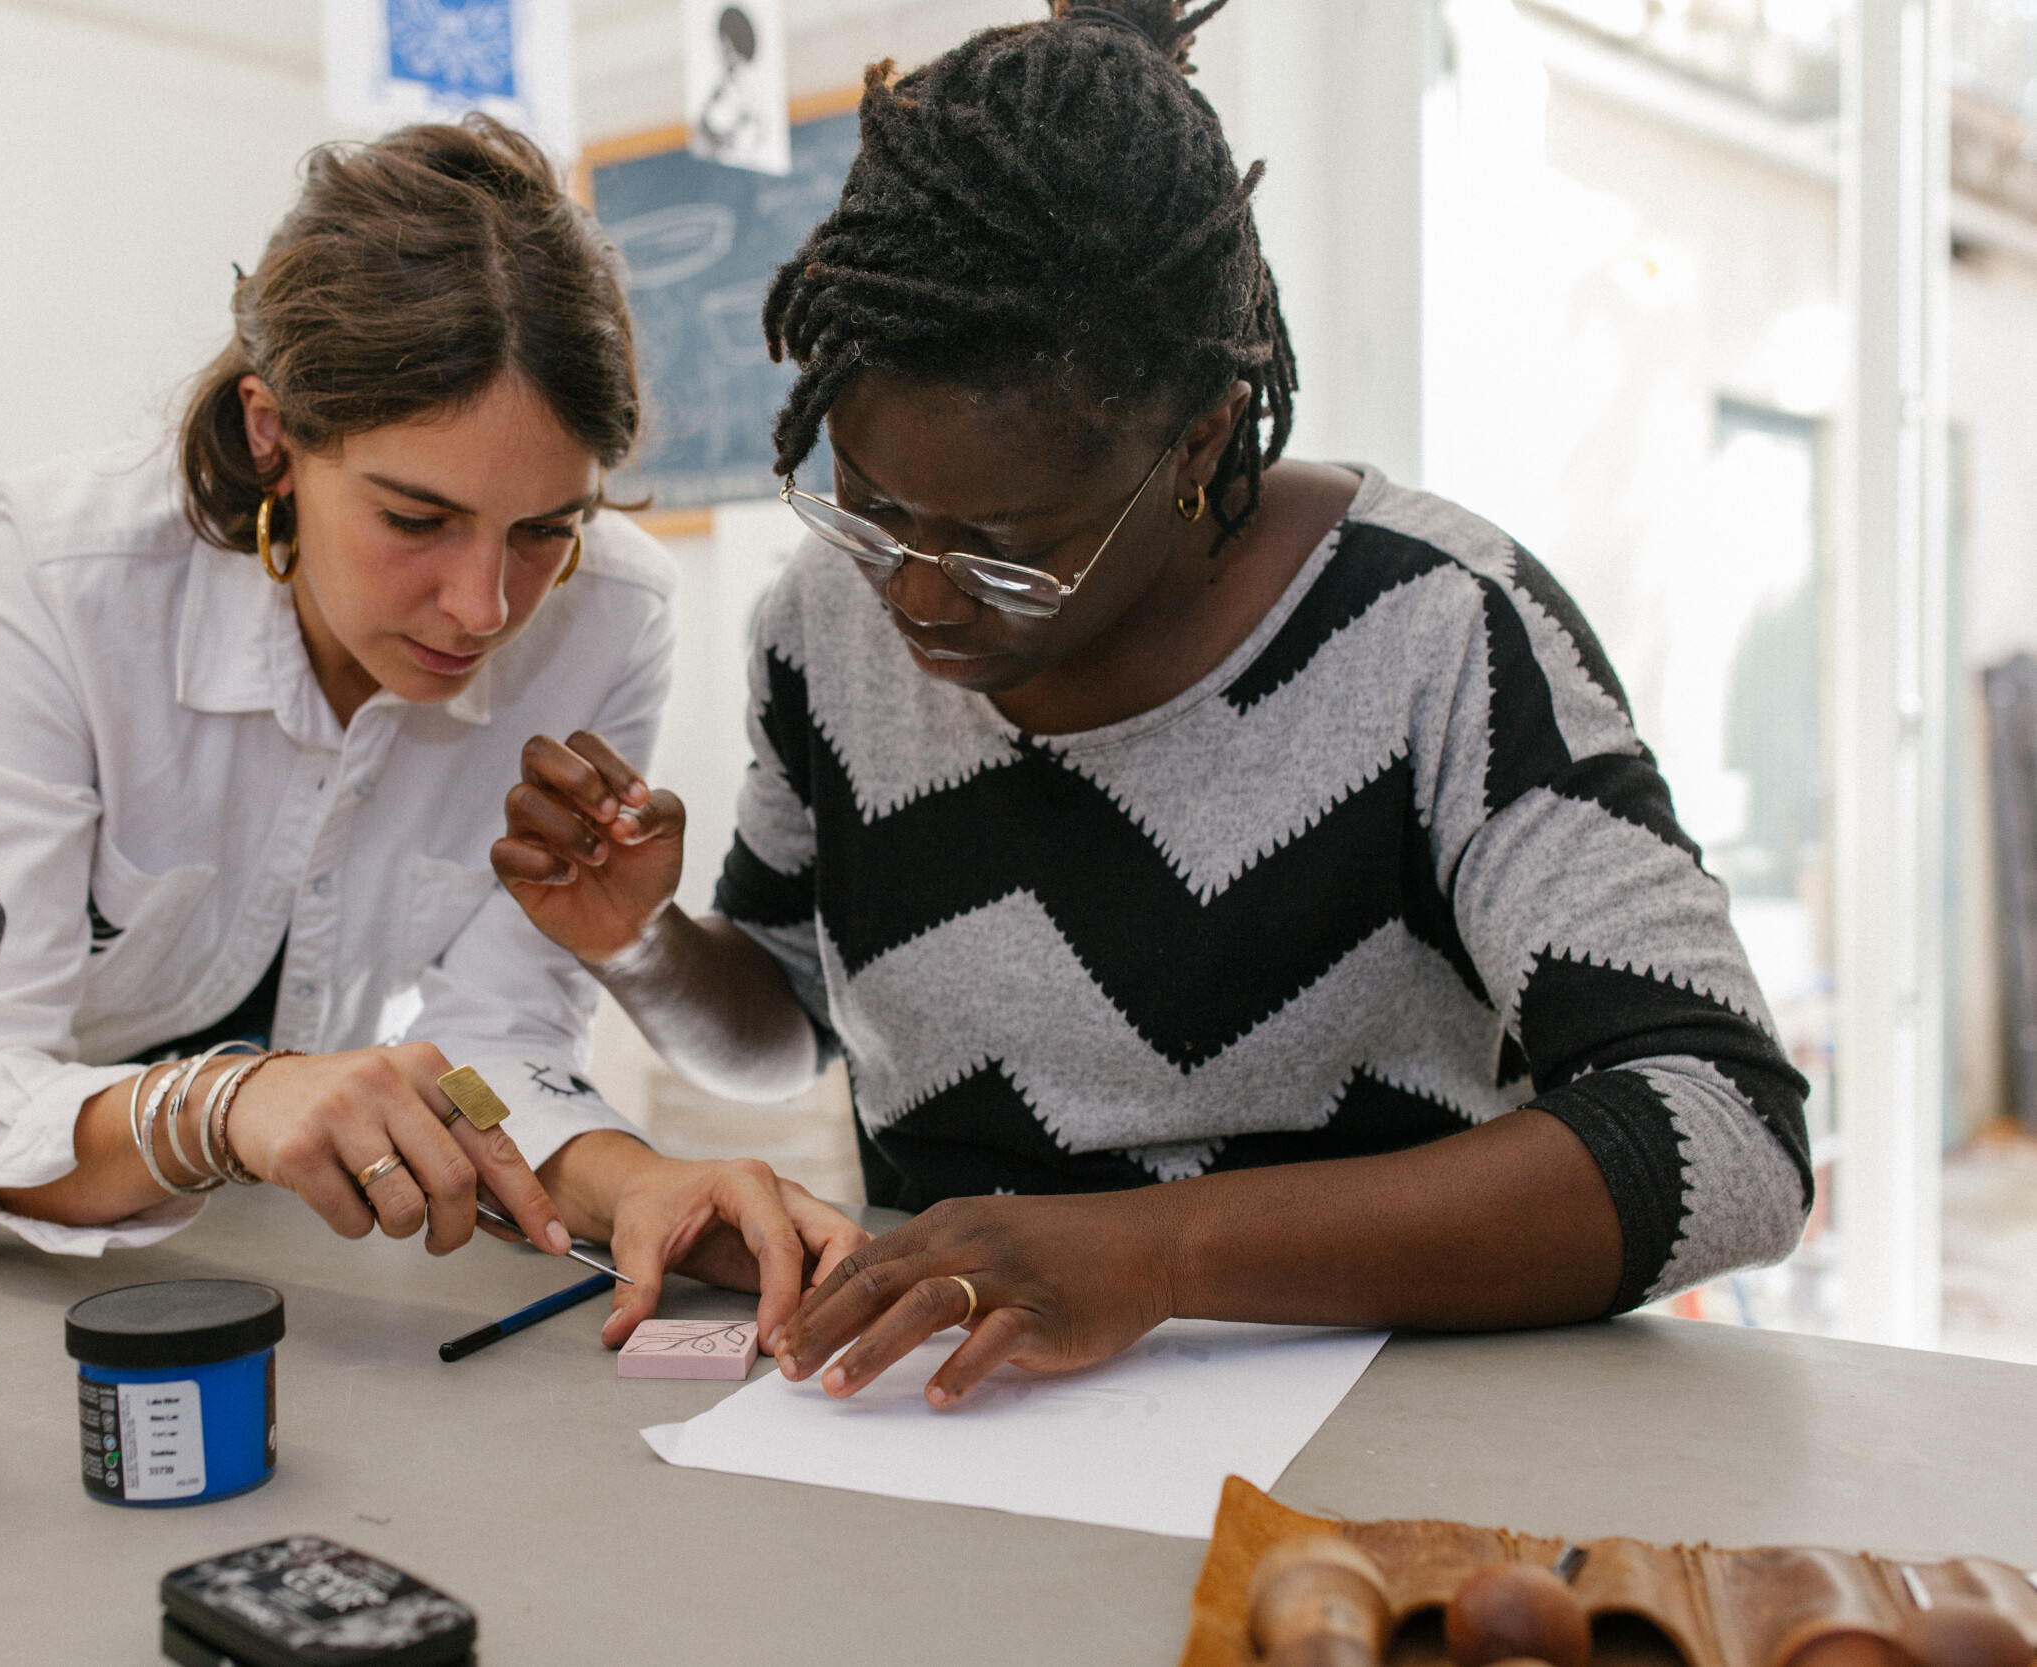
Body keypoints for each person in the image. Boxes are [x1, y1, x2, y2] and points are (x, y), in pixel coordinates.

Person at [491, 1, 1813, 1405]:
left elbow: (1730, 1137)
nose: (924, 596)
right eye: (871, 508)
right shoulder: (824, 632)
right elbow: (783, 1027)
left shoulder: (1437, 633)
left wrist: (1162, 1253)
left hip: (1372, 1425)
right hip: (962, 1418)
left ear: (1196, 441)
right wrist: (641, 940)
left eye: (1010, 545)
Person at [0, 120, 863, 1347]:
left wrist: (630, 1178)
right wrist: (230, 1102)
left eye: (547, 526)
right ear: (272, 431)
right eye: (415, 516)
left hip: (221, 1228)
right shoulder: (66, 569)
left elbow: (495, 1042)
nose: (484, 606)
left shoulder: (610, 614)